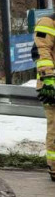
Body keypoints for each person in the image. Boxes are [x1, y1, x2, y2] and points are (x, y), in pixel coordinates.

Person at [34, 15, 55, 181]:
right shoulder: (47, 23)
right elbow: (42, 51)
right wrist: (48, 79)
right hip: (51, 86)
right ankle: (54, 167)